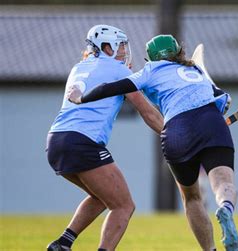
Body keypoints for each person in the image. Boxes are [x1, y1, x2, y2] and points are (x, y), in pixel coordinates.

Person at [67, 34, 238, 251]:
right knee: (224, 183)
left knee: (192, 198)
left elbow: (111, 88)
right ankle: (226, 207)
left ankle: (210, 250)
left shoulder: (151, 70)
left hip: (177, 130)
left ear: (152, 57)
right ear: (178, 52)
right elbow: (221, 100)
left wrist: (81, 98)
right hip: (212, 122)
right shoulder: (195, 71)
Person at [46, 24, 164, 251]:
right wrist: (173, 135)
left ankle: (62, 244)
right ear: (106, 46)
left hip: (56, 141)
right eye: (120, 46)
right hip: (82, 141)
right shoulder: (118, 71)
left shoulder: (78, 67)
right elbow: (147, 112)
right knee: (124, 206)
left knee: (102, 197)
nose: (123, 51)